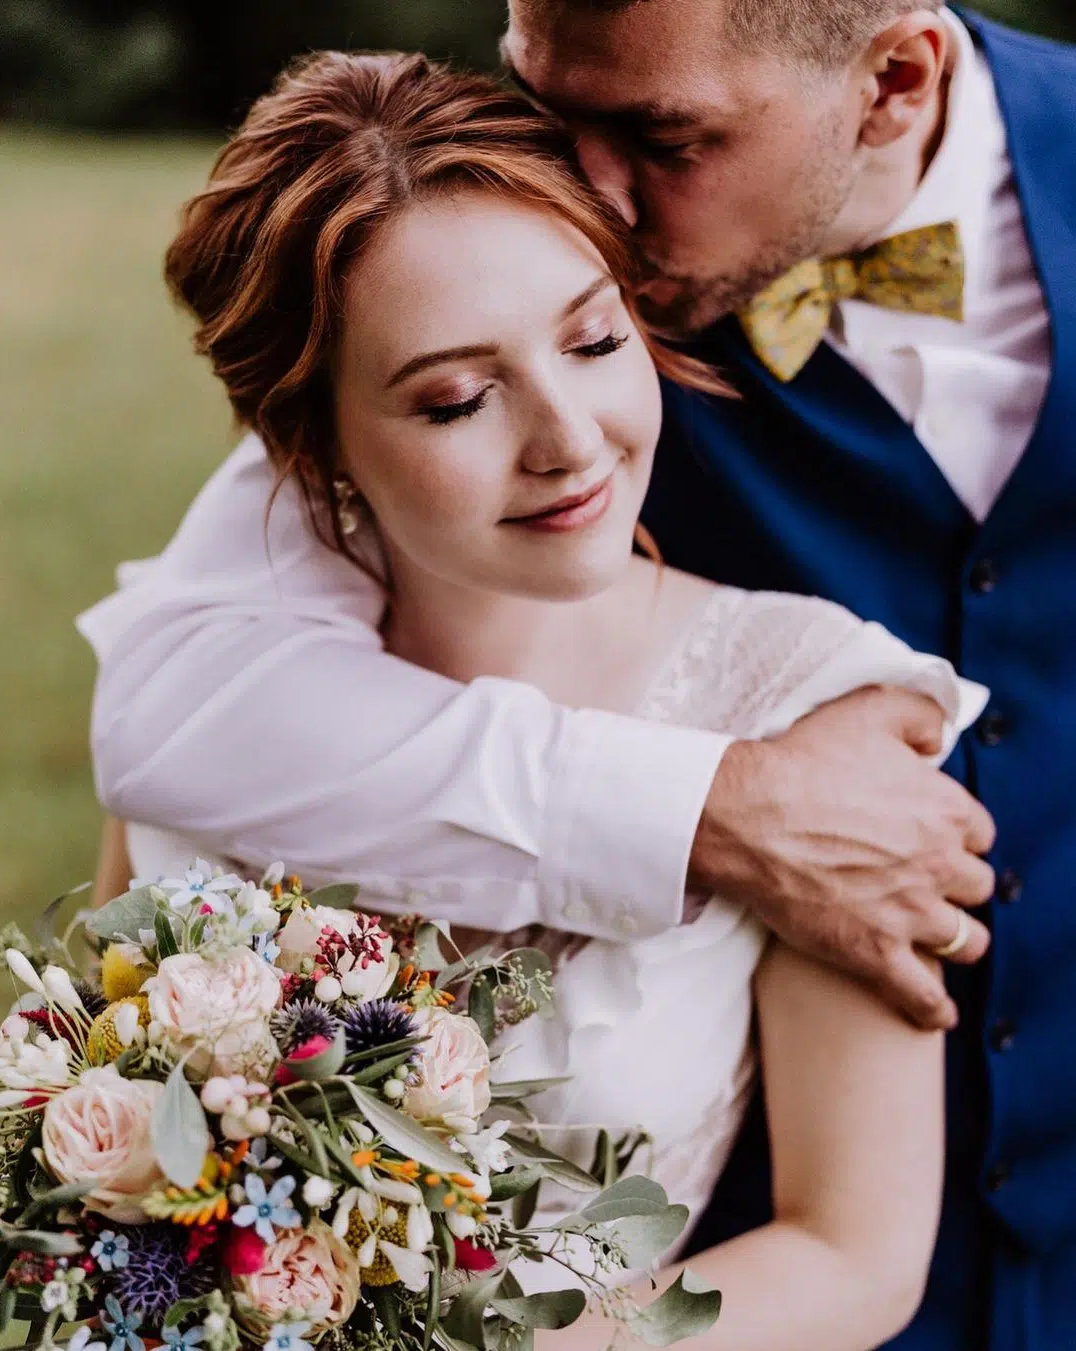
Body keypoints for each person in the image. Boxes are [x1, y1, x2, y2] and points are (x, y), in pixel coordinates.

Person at [76, 3, 1076, 1348]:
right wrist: (710, 807)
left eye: (664, 134)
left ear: (892, 84)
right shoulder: (470, 272)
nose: (586, 187)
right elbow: (172, 706)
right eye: (547, 102)